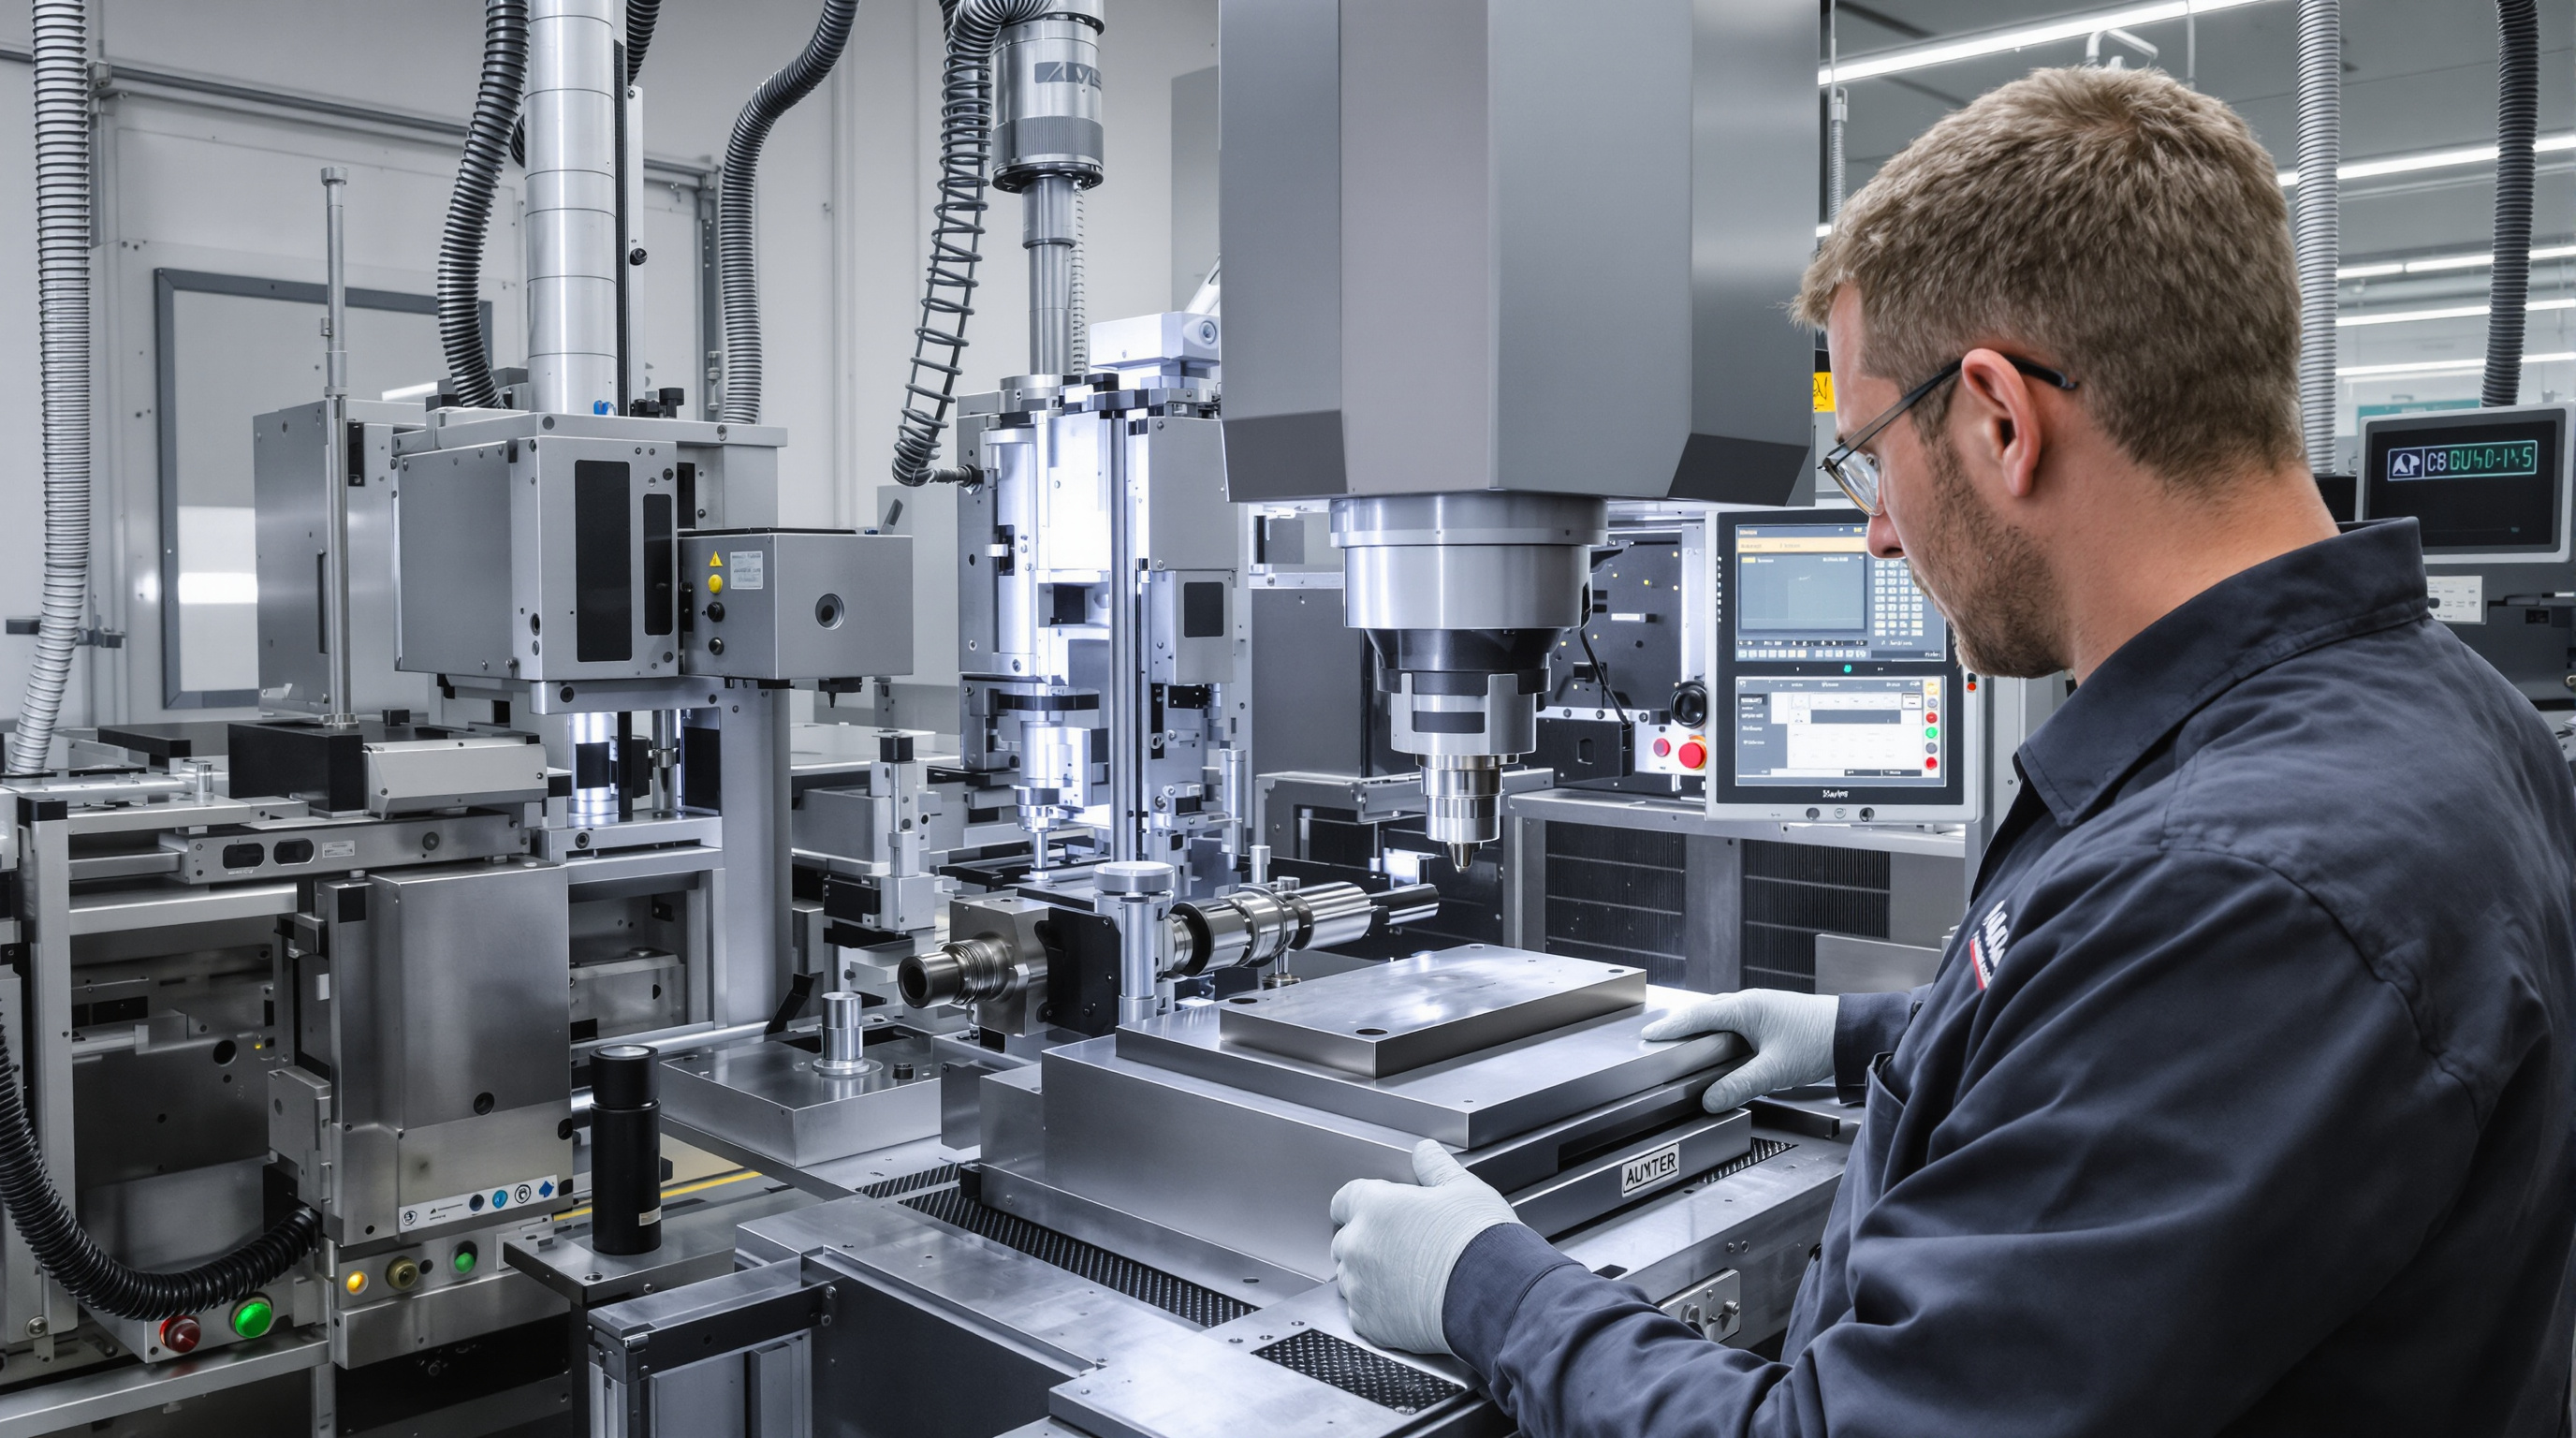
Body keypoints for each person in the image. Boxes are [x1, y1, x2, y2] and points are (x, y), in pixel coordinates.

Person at [1327, 65, 2576, 1437]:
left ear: (1998, 418)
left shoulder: (2240, 886)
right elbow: (2145, 1063)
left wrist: (1493, 1293)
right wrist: (1859, 1037)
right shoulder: (2443, 707)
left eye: (1868, 455)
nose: (1873, 529)